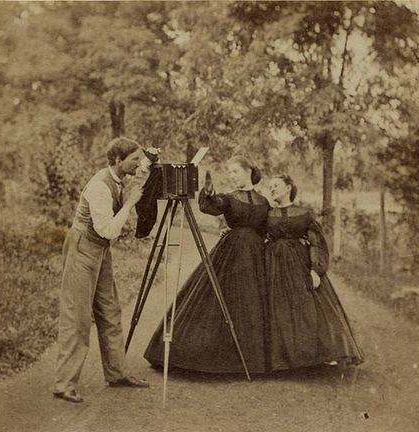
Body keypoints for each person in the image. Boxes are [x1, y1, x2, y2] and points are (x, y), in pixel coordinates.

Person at [144, 156, 270, 374]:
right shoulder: (229, 198)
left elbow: (266, 228)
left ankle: (253, 360)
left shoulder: (264, 201)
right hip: (232, 254)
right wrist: (209, 192)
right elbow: (213, 206)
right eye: (229, 172)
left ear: (249, 171)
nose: (232, 176)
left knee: (252, 301)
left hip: (256, 256)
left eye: (235, 172)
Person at [53, 137, 152, 403]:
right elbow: (107, 229)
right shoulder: (99, 186)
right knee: (78, 317)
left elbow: (140, 175)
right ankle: (64, 384)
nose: (138, 163)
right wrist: (131, 203)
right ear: (118, 161)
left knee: (110, 310)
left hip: (101, 250)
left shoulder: (120, 177)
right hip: (83, 247)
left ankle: (117, 373)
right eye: (134, 159)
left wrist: (146, 167)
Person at [265, 174, 364, 372]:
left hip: (299, 265)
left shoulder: (304, 214)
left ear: (288, 188)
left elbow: (317, 242)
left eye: (276, 186)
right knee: (279, 309)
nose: (272, 189)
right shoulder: (268, 214)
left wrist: (316, 270)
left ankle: (318, 356)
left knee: (309, 307)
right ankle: (284, 361)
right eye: (270, 187)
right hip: (274, 266)